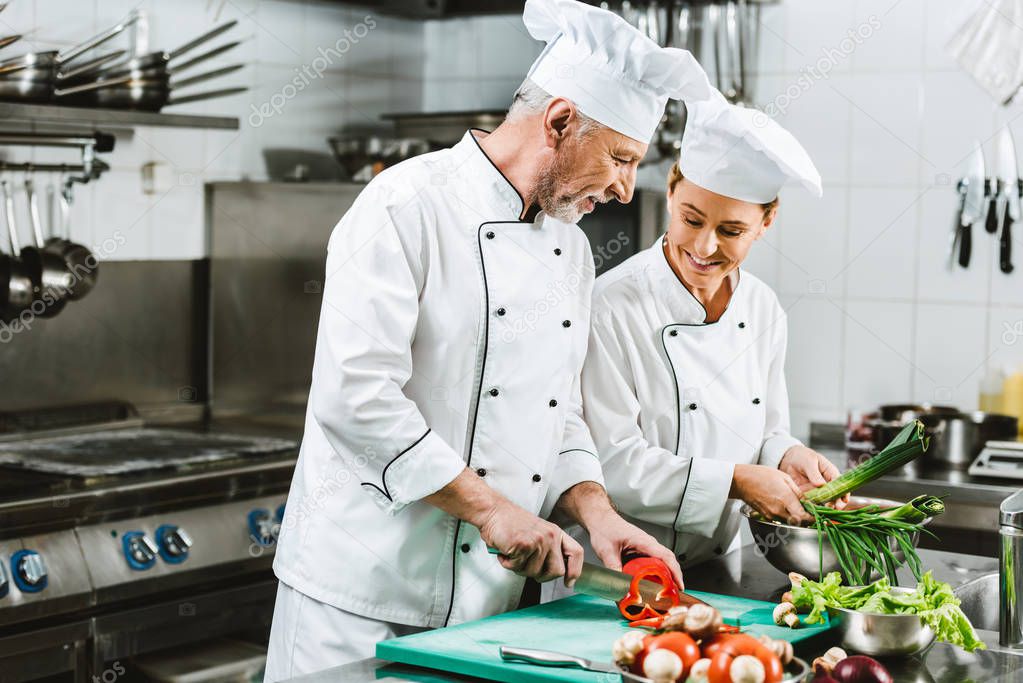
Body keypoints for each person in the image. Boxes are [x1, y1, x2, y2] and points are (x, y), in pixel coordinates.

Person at [263, 0, 714, 678]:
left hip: (485, 608)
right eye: (620, 158)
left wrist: (597, 515)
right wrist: (490, 508)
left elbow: (554, 411)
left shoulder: (570, 250)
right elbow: (355, 397)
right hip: (360, 597)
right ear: (560, 121)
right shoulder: (405, 206)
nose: (624, 189)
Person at [576, 96, 844, 573]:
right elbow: (611, 464)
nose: (703, 246)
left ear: (766, 222)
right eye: (692, 219)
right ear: (673, 191)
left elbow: (766, 429)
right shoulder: (611, 305)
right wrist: (737, 482)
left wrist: (788, 455)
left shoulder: (762, 308)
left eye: (731, 230)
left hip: (722, 565)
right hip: (624, 571)